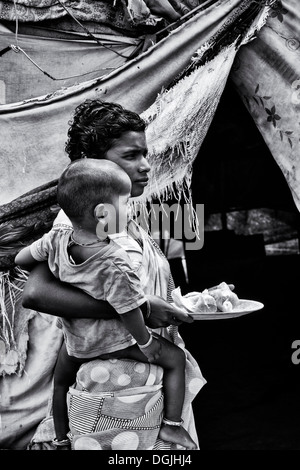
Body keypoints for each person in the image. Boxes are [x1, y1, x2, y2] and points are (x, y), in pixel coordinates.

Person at [20, 99, 205, 450]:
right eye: (131, 156)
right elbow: (36, 293)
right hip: (115, 388)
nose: (146, 166)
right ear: (94, 163)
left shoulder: (121, 216)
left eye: (144, 154)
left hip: (138, 383)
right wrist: (143, 309)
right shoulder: (76, 224)